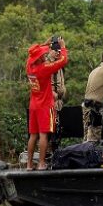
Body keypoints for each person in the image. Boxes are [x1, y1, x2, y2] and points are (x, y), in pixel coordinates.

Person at [25, 37, 69, 170]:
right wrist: (63, 47)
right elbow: (63, 60)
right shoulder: (43, 68)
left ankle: (29, 164)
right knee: (44, 134)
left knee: (33, 135)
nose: (45, 55)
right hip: (45, 105)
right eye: (42, 55)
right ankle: (41, 163)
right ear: (39, 59)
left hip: (33, 105)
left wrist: (45, 43)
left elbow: (32, 53)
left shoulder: (29, 66)